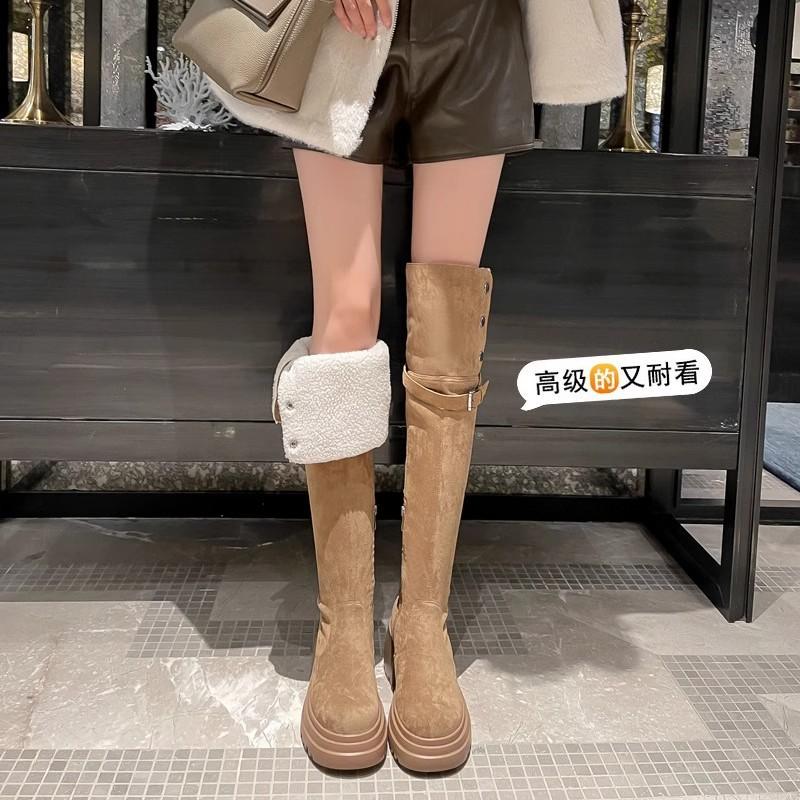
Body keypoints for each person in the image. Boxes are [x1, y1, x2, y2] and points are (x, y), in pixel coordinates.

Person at [266, 0, 627, 774]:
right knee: (345, 315)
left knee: (451, 326)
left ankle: (422, 620)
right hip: (340, 23)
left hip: (479, 24)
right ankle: (344, 626)